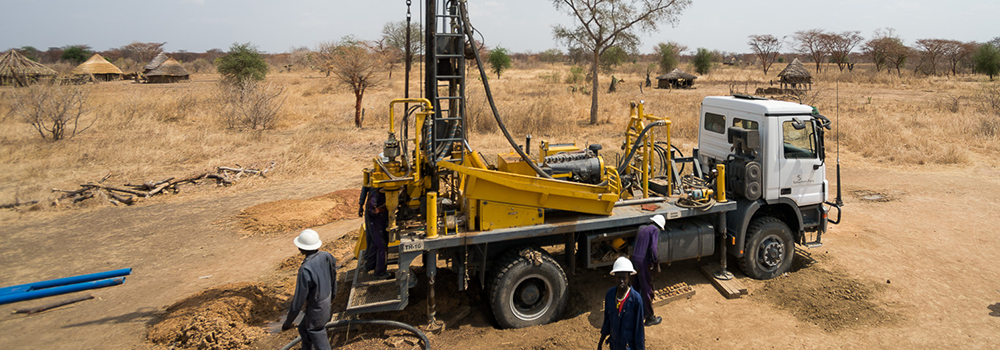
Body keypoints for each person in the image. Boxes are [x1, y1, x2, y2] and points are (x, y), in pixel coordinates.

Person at [282, 229, 338, 350]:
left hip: (317, 308)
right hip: (327, 301)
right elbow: (334, 277)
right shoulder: (327, 256)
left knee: (316, 331)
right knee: (303, 328)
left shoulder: (305, 269)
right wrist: (333, 295)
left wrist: (287, 323)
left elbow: (298, 302)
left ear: (300, 248)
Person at [599, 257, 645, 350]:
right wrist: (600, 342)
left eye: (624, 278)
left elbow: (639, 330)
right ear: (614, 277)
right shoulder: (610, 295)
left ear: (629, 278)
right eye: (619, 277)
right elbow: (607, 320)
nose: (621, 281)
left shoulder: (636, 299)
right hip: (614, 345)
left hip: (628, 347)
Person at [632, 214, 664, 326]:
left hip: (634, 259)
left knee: (636, 286)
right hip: (643, 262)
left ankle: (635, 313)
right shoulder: (654, 230)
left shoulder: (642, 228)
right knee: (646, 288)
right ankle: (649, 317)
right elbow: (653, 248)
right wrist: (656, 262)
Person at [358, 185, 389, 279]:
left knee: (373, 242)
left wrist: (361, 204)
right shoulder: (377, 191)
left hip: (376, 219)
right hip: (375, 220)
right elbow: (373, 210)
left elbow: (364, 188)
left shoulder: (375, 184)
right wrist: (384, 208)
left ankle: (369, 265)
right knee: (381, 244)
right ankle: (380, 273)